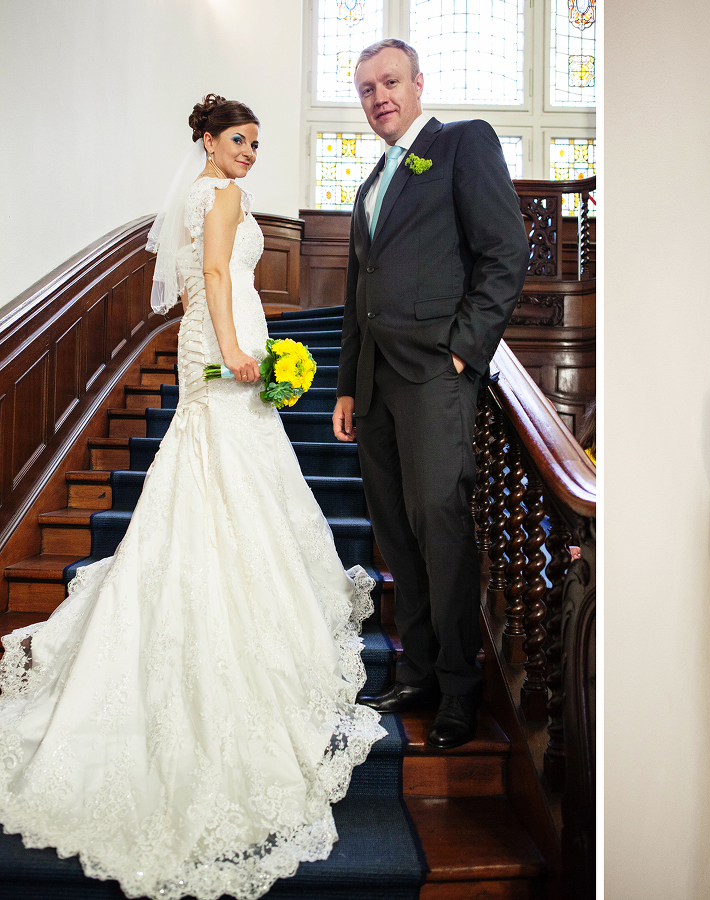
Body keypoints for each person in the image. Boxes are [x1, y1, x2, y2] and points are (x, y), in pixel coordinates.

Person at [0, 95, 386, 899]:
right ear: (207, 143)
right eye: (237, 139)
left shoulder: (198, 197)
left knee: (217, 468)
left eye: (255, 142)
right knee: (224, 466)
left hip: (211, 336)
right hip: (225, 340)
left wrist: (229, 338)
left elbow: (198, 281)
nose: (249, 152)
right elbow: (213, 272)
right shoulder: (223, 196)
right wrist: (242, 347)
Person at [332, 40, 528, 749]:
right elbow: (359, 295)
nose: (378, 96)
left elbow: (506, 251)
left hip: (434, 376)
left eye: (389, 82)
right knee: (396, 533)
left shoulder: (461, 144)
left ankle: (457, 686)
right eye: (365, 89)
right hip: (377, 383)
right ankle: (415, 669)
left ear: (418, 85)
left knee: (442, 529)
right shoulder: (369, 184)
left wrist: (461, 351)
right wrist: (351, 386)